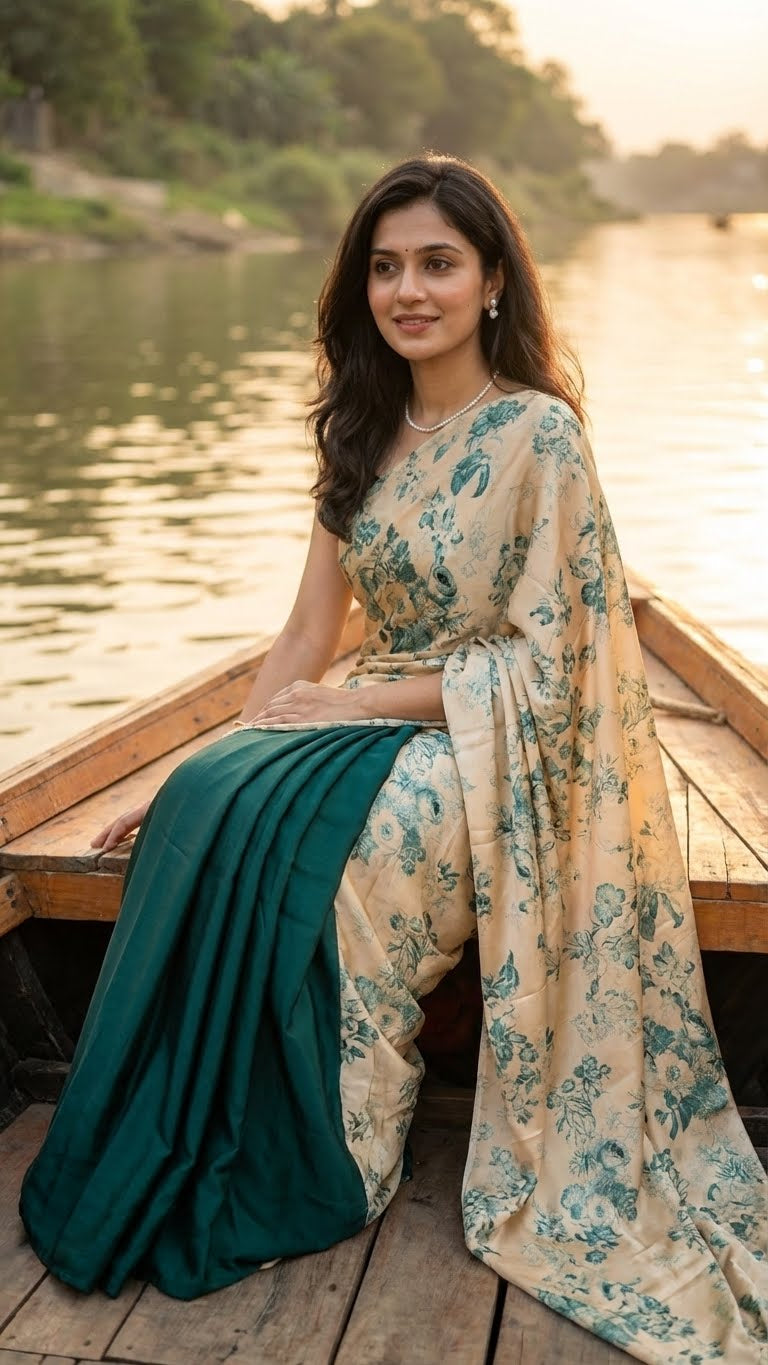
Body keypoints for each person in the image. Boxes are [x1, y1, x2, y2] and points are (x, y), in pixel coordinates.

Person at [19, 155, 768, 1363]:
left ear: (489, 285)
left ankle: (339, 1154)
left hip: (494, 734)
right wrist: (211, 758)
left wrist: (350, 713)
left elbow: (564, 661)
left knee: (359, 854)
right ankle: (203, 1113)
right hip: (373, 698)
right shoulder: (362, 427)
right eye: (384, 266)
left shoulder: (540, 436)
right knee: (210, 800)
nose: (406, 290)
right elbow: (311, 635)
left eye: (436, 263)